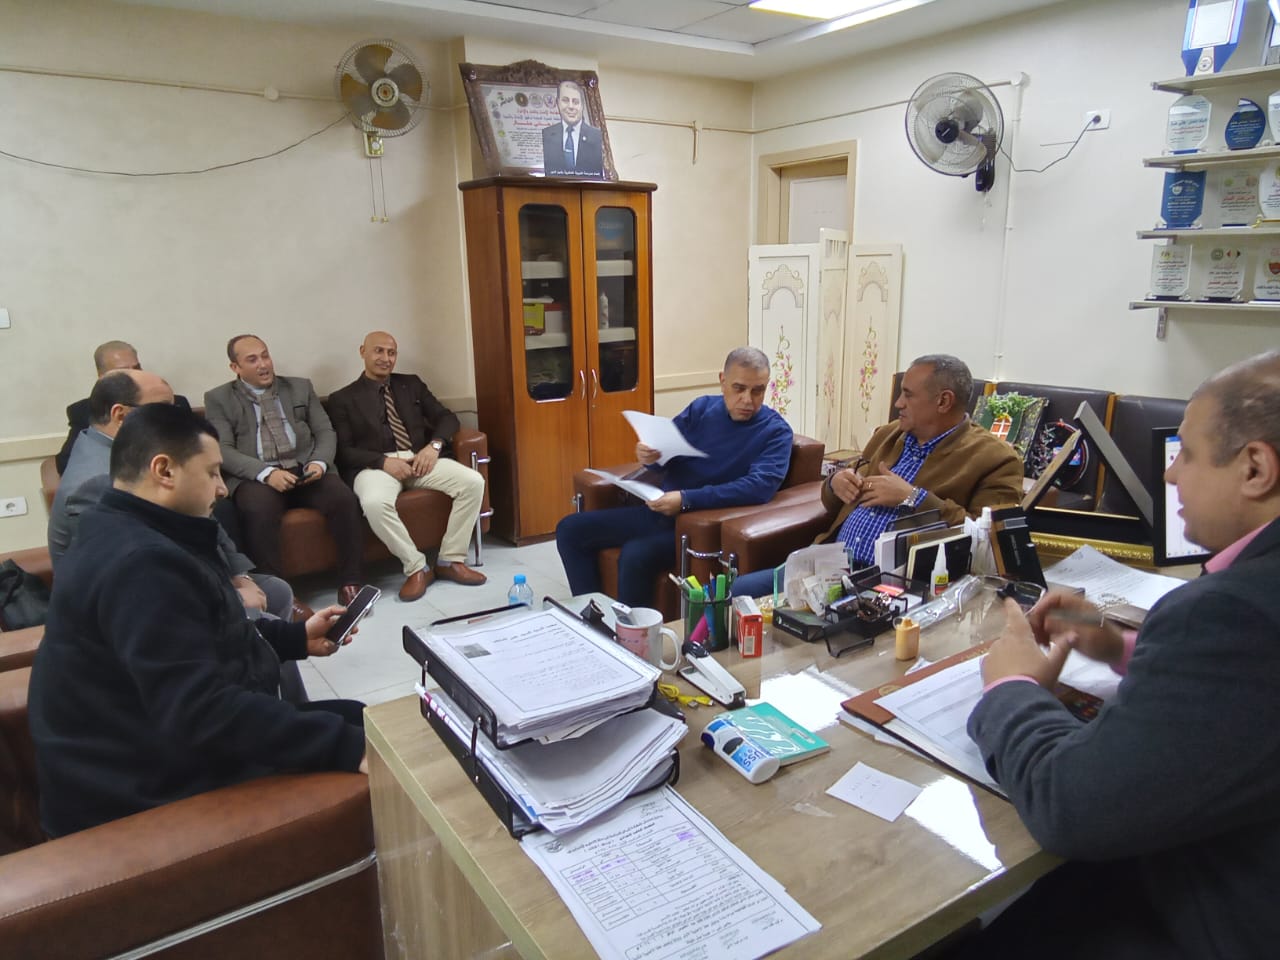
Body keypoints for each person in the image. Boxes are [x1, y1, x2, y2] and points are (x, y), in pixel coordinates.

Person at [960, 350, 1280, 959]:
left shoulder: (1234, 612)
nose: (1171, 475)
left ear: (1256, 468)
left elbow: (1071, 808)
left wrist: (1010, 688)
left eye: (1187, 453)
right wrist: (1119, 646)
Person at [28, 404, 368, 838]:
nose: (222, 489)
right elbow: (201, 711)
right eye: (211, 473)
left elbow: (203, 629)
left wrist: (294, 637)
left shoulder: (126, 527)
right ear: (164, 470)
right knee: (362, 741)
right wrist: (347, 749)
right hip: (136, 785)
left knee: (358, 717)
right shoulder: (142, 564)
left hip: (154, 743)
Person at [49, 369, 312, 702]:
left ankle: (285, 703)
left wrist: (240, 577)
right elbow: (151, 585)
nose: (177, 418)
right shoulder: (95, 485)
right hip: (141, 613)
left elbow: (205, 523)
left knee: (275, 591)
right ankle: (272, 708)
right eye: (164, 408)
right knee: (260, 624)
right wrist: (230, 597)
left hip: (178, 578)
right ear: (121, 415)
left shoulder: (136, 453)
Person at [731, 354, 1023, 598]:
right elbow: (835, 503)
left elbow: (991, 547)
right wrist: (835, 484)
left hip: (894, 585)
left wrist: (913, 498)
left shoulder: (995, 459)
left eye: (908, 395)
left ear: (943, 401)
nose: (898, 403)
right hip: (828, 565)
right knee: (731, 594)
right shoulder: (888, 435)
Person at [556, 347, 793, 607]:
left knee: (635, 554)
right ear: (722, 381)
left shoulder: (775, 432)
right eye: (739, 388)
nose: (747, 400)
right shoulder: (702, 409)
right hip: (659, 511)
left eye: (757, 390)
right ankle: (590, 615)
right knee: (570, 529)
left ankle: (634, 631)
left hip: (697, 528)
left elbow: (758, 488)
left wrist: (686, 499)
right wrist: (650, 457)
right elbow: (665, 454)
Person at [204, 334, 366, 606]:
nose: (263, 364)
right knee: (257, 509)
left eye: (265, 355)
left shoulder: (299, 387)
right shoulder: (219, 398)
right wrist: (267, 474)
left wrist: (319, 462)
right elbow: (223, 448)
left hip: (304, 467)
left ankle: (352, 582)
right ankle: (281, 594)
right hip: (257, 476)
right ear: (235, 367)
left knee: (343, 498)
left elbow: (324, 431)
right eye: (252, 360)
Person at [327, 331, 487, 602]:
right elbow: (343, 450)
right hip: (375, 467)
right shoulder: (342, 398)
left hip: (419, 458)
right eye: (378, 351)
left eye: (391, 353)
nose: (386, 358)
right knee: (374, 503)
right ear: (363, 352)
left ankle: (450, 560)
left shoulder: (411, 384)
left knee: (473, 482)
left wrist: (434, 446)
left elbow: (447, 418)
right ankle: (416, 568)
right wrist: (383, 462)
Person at [55, 340, 192, 474]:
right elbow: (66, 463)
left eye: (137, 368)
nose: (135, 375)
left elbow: (194, 449)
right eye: (124, 371)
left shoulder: (174, 402)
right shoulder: (85, 411)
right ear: (103, 377)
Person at [541, 79, 603, 177]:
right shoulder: (546, 134)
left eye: (575, 102)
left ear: (582, 105)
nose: (570, 106)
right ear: (558, 103)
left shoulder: (596, 136)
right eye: (565, 100)